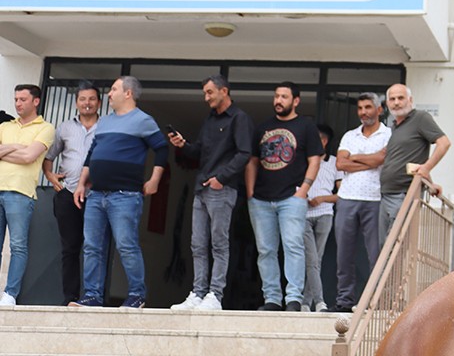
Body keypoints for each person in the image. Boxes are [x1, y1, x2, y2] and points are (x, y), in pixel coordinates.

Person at [72, 76, 168, 309]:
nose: (109, 94)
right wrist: (81, 183)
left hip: (125, 196)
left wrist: (155, 180)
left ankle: (136, 295)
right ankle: (92, 296)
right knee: (92, 247)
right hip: (96, 194)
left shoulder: (143, 120)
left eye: (114, 89)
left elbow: (162, 149)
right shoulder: (105, 121)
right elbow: (92, 154)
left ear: (128, 93)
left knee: (126, 245)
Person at [168, 75, 253, 311]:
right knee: (197, 244)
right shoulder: (209, 120)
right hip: (202, 188)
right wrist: (183, 145)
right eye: (205, 93)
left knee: (219, 244)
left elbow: (244, 154)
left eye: (209, 92)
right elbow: (199, 152)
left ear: (224, 91)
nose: (206, 98)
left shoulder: (239, 118)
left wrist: (221, 178)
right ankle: (198, 293)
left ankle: (215, 295)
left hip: (221, 189)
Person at [244, 81, 323, 312]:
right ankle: (272, 299)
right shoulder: (263, 127)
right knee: (265, 250)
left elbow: (315, 160)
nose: (278, 101)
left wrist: (303, 190)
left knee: (293, 247)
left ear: (296, 101)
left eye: (284, 97)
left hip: (291, 197)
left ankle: (293, 299)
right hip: (260, 199)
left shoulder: (306, 126)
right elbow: (252, 161)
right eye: (276, 96)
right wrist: (250, 192)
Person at [42, 81, 100, 307]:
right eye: (82, 99)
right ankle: (71, 298)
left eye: (92, 99)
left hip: (96, 195)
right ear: (76, 103)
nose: (87, 103)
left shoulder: (106, 127)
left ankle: (95, 296)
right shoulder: (65, 128)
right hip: (67, 194)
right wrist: (50, 176)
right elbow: (49, 157)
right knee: (70, 248)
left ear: (99, 102)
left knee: (95, 247)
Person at [332, 93, 390, 312]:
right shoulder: (350, 135)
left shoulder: (388, 134)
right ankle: (344, 301)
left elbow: (381, 159)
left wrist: (354, 157)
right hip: (347, 198)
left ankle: (375, 301)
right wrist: (371, 160)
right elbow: (340, 164)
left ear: (379, 110)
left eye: (368, 107)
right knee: (343, 254)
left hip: (375, 199)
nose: (363, 112)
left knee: (375, 254)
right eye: (360, 108)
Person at [0, 84, 55, 307]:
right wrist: (16, 146)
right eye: (16, 99)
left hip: (21, 193)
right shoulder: (5, 126)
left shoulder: (46, 128)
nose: (18, 103)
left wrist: (4, 151)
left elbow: (29, 157)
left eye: (23, 99)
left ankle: (10, 294)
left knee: (18, 246)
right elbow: (23, 153)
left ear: (36, 101)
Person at [379, 84, 449, 243]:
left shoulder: (420, 118)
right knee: (385, 245)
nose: (396, 102)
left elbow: (444, 143)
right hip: (387, 194)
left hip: (404, 194)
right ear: (388, 103)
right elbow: (414, 158)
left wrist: (427, 168)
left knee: (394, 245)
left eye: (400, 98)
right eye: (392, 99)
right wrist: (430, 180)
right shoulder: (395, 127)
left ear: (410, 100)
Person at [302, 123, 340, 313]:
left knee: (316, 259)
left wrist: (322, 198)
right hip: (303, 214)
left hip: (325, 213)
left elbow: (342, 194)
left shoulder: (334, 162)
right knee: (312, 259)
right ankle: (318, 302)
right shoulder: (303, 162)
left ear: (324, 141)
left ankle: (305, 303)